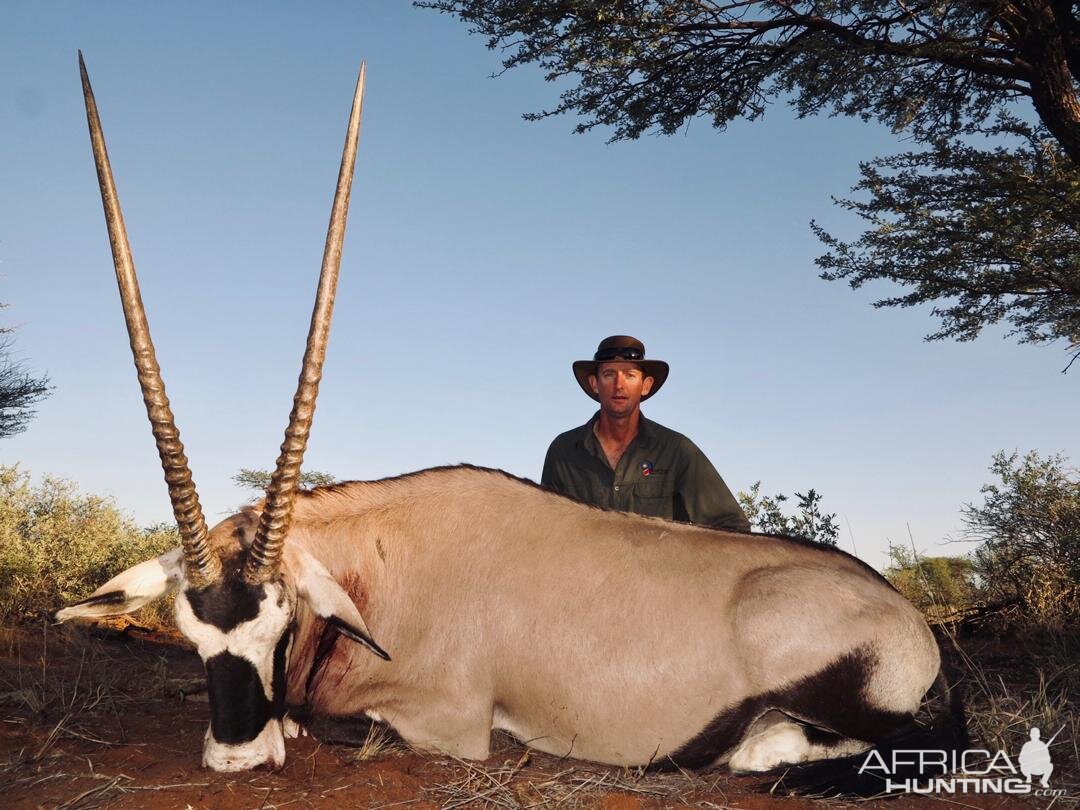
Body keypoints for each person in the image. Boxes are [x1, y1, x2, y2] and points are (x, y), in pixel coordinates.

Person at [542, 335, 750, 532]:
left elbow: (732, 526)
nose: (619, 385)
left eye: (630, 375)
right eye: (609, 374)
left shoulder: (676, 449)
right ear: (595, 384)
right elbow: (547, 530)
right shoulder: (563, 451)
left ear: (646, 385)